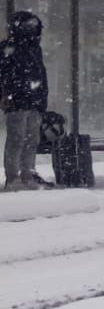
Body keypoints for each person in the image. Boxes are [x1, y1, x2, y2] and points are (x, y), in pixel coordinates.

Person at [0, 11, 48, 191]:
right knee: (17, 138)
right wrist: (4, 96)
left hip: (32, 101)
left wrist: (42, 99)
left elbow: (40, 75)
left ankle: (27, 174)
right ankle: (13, 177)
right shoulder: (7, 48)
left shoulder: (35, 49)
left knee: (30, 139)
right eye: (29, 26)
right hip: (18, 101)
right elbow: (2, 75)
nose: (33, 30)